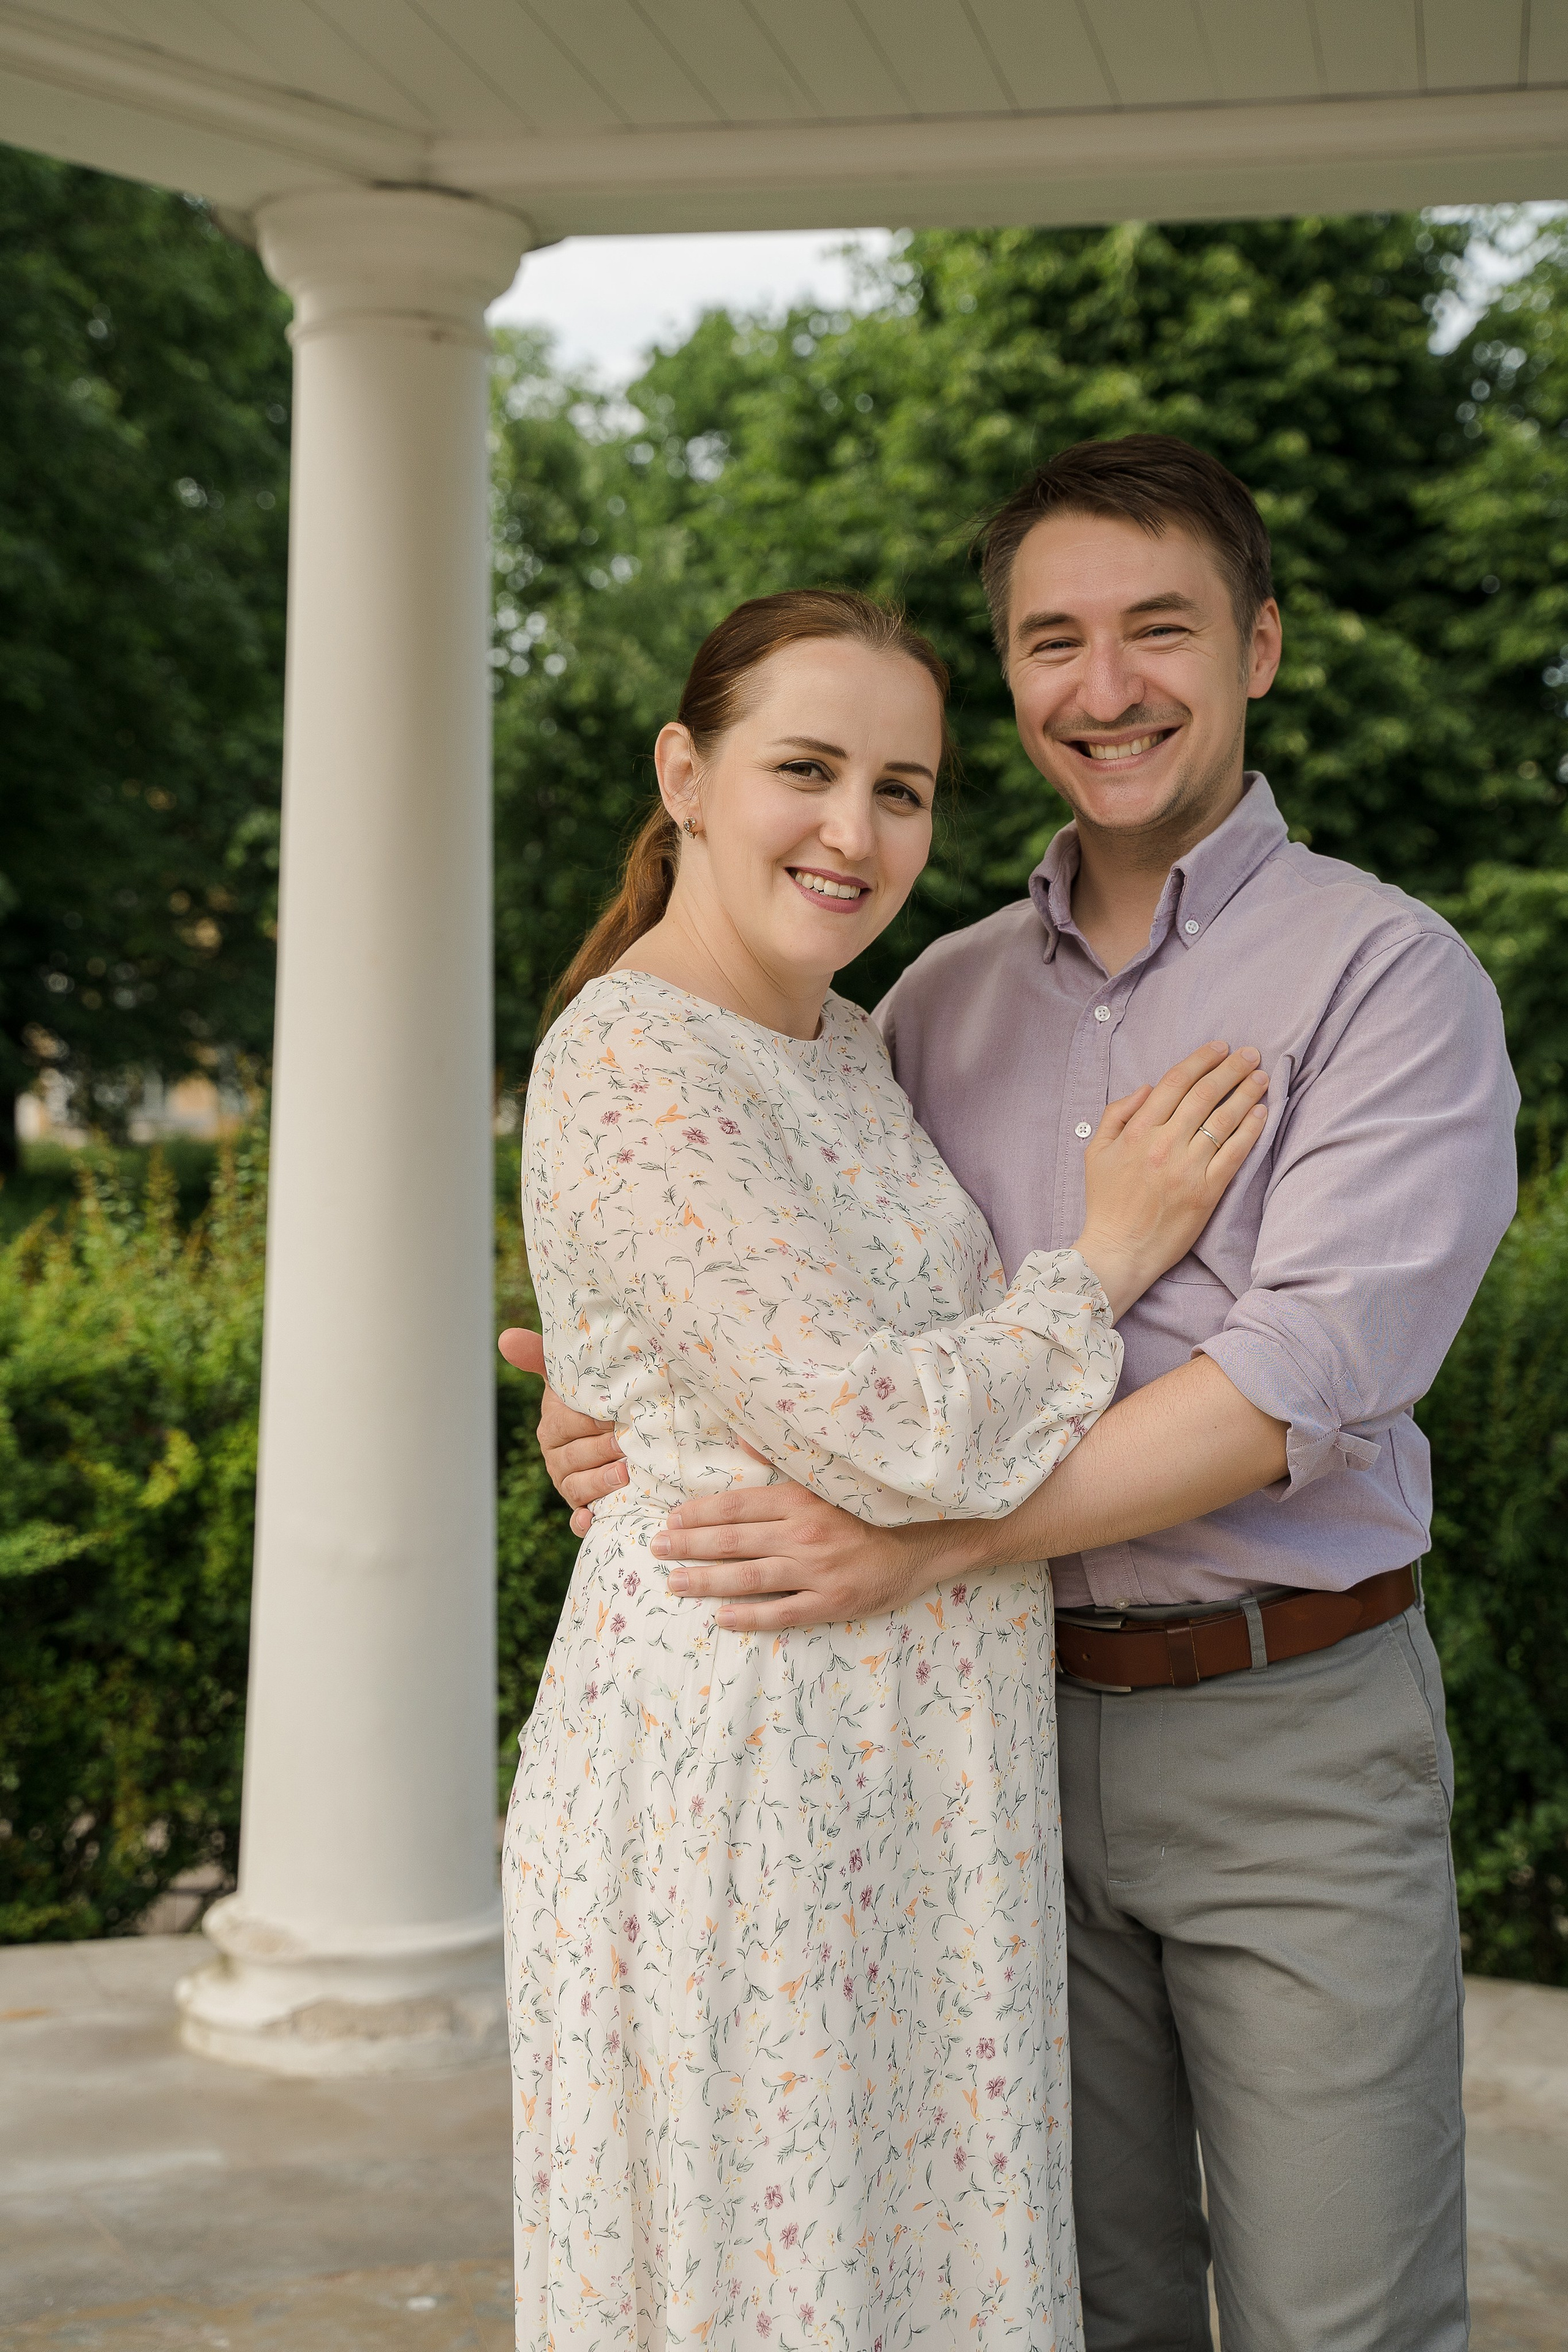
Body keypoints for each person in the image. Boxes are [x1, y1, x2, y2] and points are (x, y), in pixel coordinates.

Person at [521, 440, 1520, 2352]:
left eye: (1163, 627)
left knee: (1346, 2314)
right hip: (981, 1758)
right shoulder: (931, 999)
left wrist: (923, 1540)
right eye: (1053, 640)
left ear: (1262, 648)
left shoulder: (1388, 973)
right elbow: (829, 1331)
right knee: (1059, 2299)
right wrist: (632, 1419)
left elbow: (1291, 1386)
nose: (1108, 682)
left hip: (1279, 1729)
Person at [502, 584, 1270, 2352]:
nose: (857, 832)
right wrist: (1108, 1258)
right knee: (782, 2289)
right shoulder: (630, 1054)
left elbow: (813, 1363)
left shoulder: (850, 1042)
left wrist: (609, 1387)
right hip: (746, 1777)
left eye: (906, 788)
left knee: (914, 2270)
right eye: (807, 769)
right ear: (684, 773)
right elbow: (890, 1426)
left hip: (915, 1772)